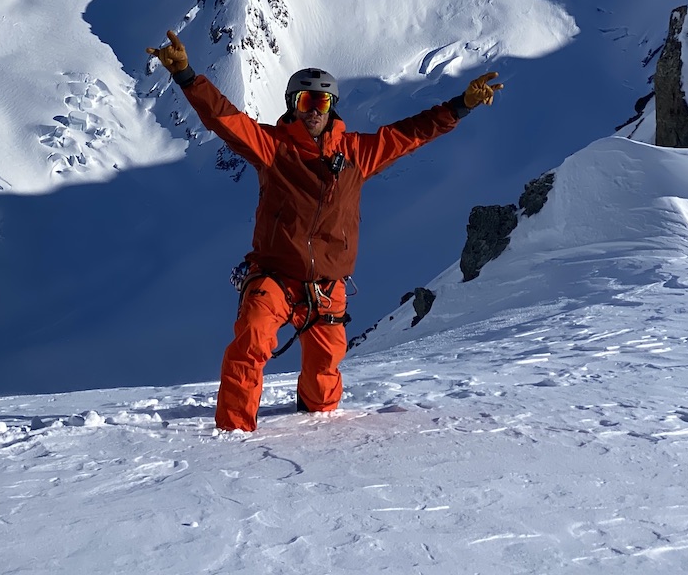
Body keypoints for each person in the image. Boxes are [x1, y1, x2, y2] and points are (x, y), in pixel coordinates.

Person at [146, 29, 502, 432]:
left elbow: (410, 134)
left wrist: (462, 105)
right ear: (292, 105)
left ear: (331, 107)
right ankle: (231, 435)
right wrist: (188, 76)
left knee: (323, 385)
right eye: (305, 100)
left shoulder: (356, 153)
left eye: (321, 101)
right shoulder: (273, 147)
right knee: (251, 339)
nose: (313, 109)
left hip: (326, 286)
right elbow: (224, 119)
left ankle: (321, 436)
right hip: (274, 277)